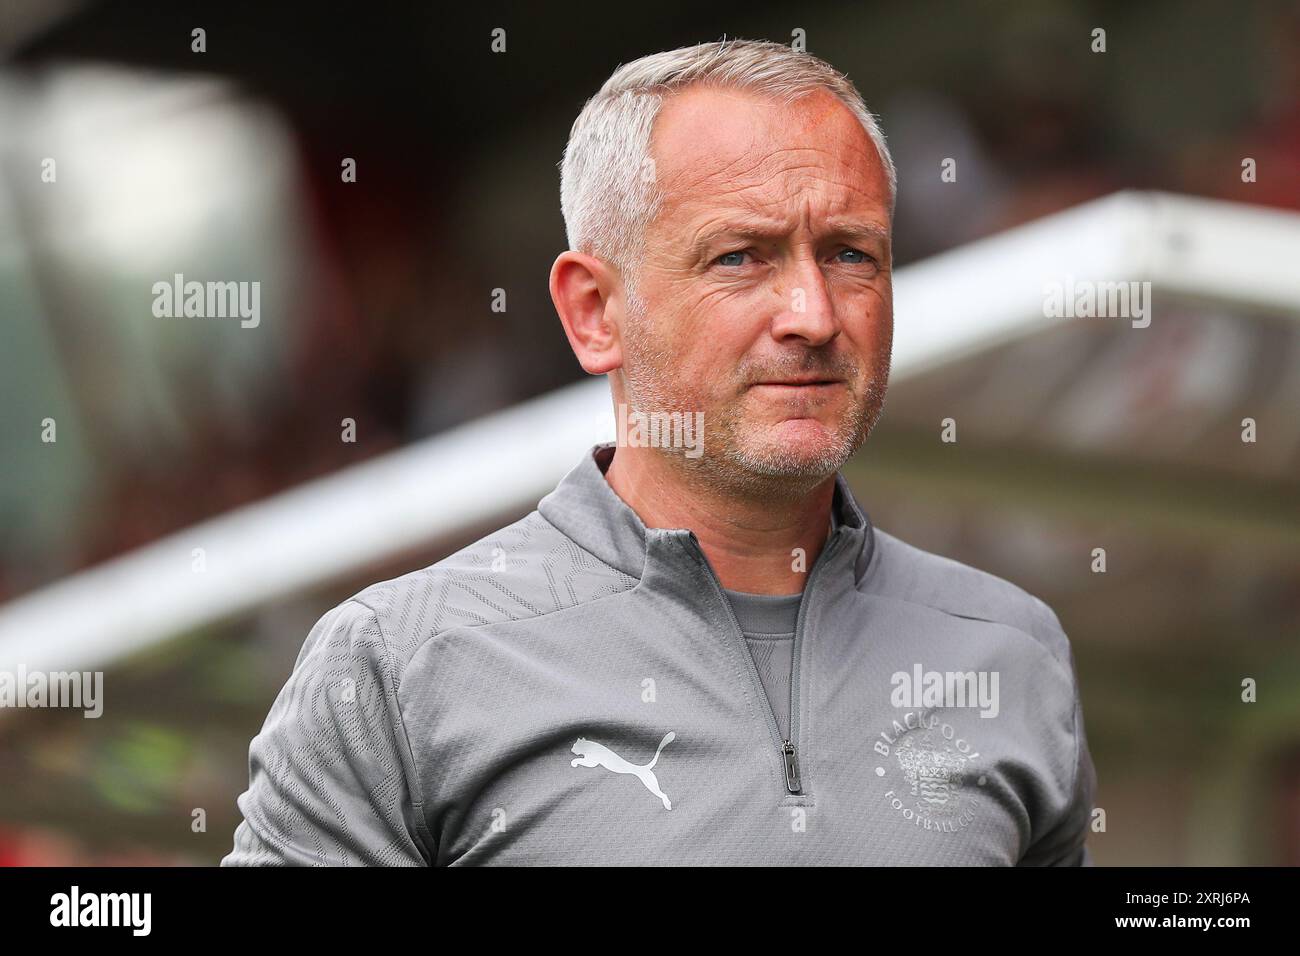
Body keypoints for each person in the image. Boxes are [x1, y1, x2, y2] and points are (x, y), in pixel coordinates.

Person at [222, 38, 1096, 866]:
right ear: (594, 313)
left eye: (849, 253)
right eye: (740, 257)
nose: (815, 314)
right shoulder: (401, 667)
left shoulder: (1010, 649)